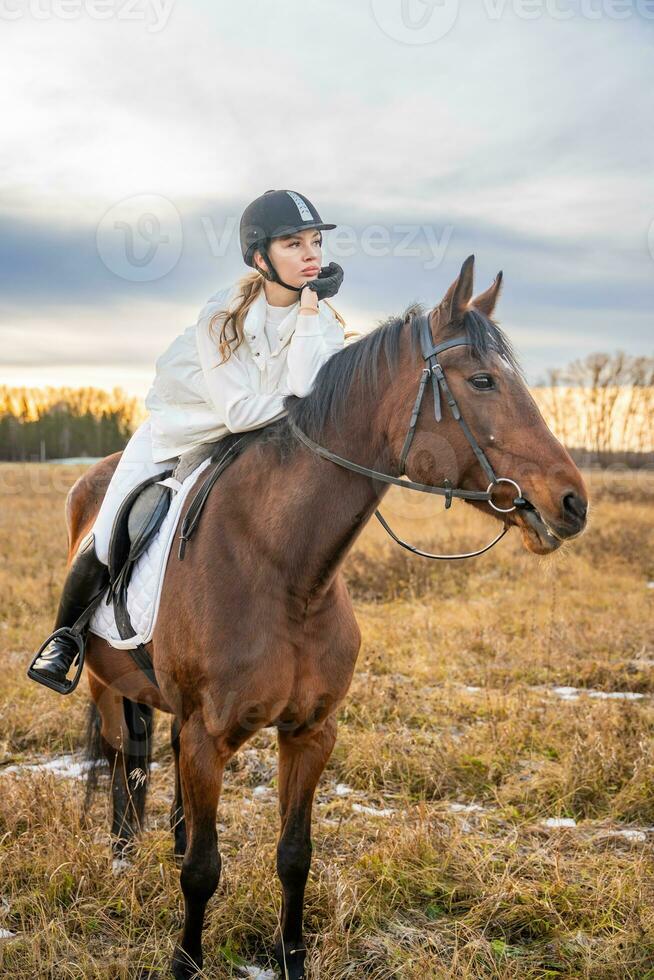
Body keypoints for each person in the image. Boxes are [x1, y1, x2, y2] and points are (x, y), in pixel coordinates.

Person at [28, 188, 360, 695]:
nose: (313, 253)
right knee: (115, 521)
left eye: (315, 241)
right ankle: (65, 639)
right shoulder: (221, 318)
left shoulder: (325, 324)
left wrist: (310, 314)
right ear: (258, 257)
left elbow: (304, 387)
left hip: (261, 440)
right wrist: (307, 407)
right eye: (293, 244)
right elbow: (242, 410)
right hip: (178, 432)